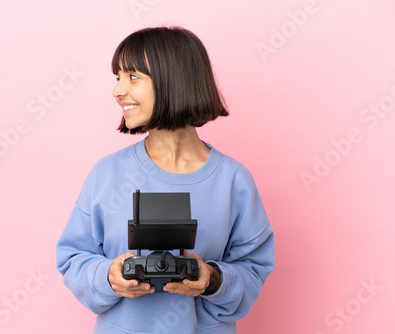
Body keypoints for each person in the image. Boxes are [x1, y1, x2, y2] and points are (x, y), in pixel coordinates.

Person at [56, 26, 274, 334]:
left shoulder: (233, 181)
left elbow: (253, 269)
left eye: (133, 77)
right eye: (118, 77)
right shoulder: (107, 174)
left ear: (174, 80)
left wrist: (212, 278)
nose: (118, 91)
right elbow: (72, 257)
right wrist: (108, 276)